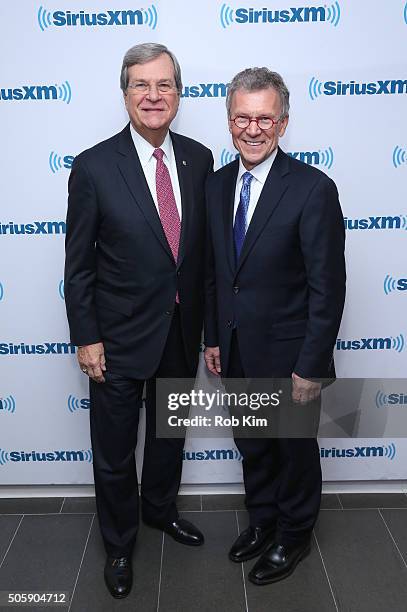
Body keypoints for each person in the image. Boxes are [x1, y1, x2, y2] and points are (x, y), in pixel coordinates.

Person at [64, 42, 213, 599]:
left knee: (169, 438)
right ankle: (120, 544)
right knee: (115, 450)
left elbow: (204, 259)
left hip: (181, 331)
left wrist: (211, 332)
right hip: (117, 339)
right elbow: (77, 266)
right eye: (141, 85)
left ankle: (160, 511)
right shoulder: (94, 167)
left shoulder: (200, 160)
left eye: (164, 85)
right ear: (124, 92)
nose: (153, 96)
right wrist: (87, 337)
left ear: (179, 92)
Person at [204, 67, 345, 585]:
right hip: (237, 349)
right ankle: (263, 520)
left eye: (265, 118)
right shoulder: (217, 186)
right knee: (253, 444)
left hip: (290, 359)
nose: (253, 128)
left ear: (283, 123)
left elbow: (328, 288)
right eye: (242, 117)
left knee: (292, 451)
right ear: (229, 121)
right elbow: (217, 273)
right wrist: (214, 338)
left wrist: (312, 364)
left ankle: (294, 535)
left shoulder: (312, 189)